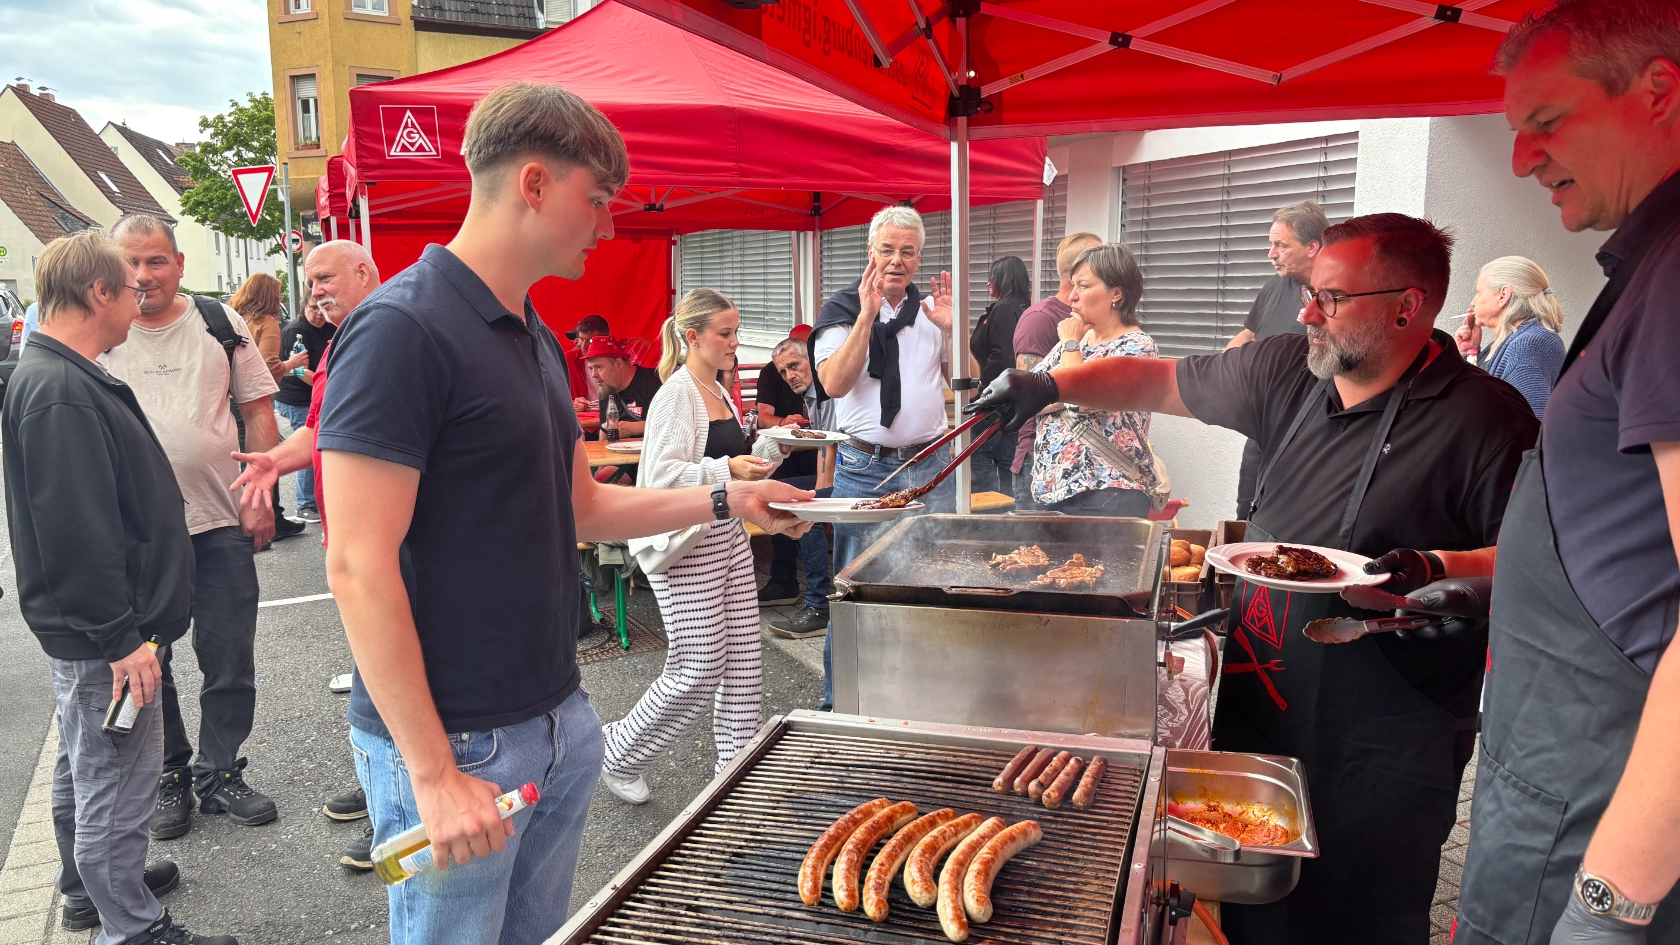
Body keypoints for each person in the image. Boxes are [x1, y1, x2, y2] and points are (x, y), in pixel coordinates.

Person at [315, 82, 810, 945]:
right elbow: (357, 563)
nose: (608, 225)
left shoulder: (536, 335)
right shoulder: (401, 328)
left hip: (557, 716)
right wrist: (432, 773)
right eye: (599, 197)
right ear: (535, 184)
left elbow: (584, 504)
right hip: (458, 742)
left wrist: (730, 497)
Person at [970, 212, 1539, 943]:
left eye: (1330, 299)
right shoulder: (1287, 370)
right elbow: (1157, 382)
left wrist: (1443, 570)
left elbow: (1532, 559)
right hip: (1262, 706)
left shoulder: (1487, 420)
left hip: (1388, 740)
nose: (1306, 313)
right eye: (1308, 293)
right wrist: (1048, 384)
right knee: (1249, 911)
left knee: (1359, 919)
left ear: (1408, 306)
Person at [1378, 4, 1680, 940]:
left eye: (1546, 122)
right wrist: (1479, 585)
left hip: (1592, 810)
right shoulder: (1646, 267)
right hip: (1557, 774)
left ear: (1659, 92)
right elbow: (1628, 544)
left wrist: (1611, 905)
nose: (1519, 160)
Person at [6, 230, 233, 945]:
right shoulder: (60, 389)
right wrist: (120, 638)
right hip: (109, 633)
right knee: (114, 782)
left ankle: (91, 888)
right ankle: (132, 929)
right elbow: (76, 532)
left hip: (98, 629)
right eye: (129, 288)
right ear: (98, 292)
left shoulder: (58, 374)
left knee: (86, 764)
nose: (140, 299)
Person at [102, 214, 281, 842]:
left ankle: (220, 769)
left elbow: (259, 410)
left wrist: (260, 492)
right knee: (153, 660)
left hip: (219, 517)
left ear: (178, 264)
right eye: (129, 262)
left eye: (155, 261)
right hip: (138, 534)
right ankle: (170, 772)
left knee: (229, 656)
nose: (143, 275)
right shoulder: (102, 328)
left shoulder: (218, 322)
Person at [226, 239, 382, 872]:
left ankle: (398, 809)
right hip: (349, 538)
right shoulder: (342, 342)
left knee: (394, 674)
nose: (314, 290)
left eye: (326, 277)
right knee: (373, 672)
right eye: (309, 280)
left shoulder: (390, 338)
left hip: (388, 544)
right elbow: (318, 429)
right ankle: (383, 786)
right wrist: (274, 461)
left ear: (365, 272)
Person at [599, 289, 787, 804]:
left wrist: (774, 446)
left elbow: (736, 462)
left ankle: (736, 772)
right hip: (686, 542)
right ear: (693, 337)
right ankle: (618, 752)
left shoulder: (719, 388)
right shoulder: (677, 393)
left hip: (725, 533)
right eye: (726, 333)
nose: (735, 342)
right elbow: (660, 477)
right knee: (699, 665)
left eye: (736, 331)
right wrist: (726, 468)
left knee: (744, 659)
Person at [809, 205, 956, 709]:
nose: (897, 260)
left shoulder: (932, 311)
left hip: (931, 466)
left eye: (907, 251)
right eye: (887, 249)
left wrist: (951, 332)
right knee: (857, 589)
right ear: (870, 252)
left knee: (932, 581)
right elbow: (833, 383)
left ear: (919, 258)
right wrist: (867, 315)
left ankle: (919, 700)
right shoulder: (841, 309)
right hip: (866, 469)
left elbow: (969, 383)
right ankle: (841, 706)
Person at [1026, 244, 1160, 517]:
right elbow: (1028, 396)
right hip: (1055, 491)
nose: (1072, 297)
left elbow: (1077, 396)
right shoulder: (1079, 341)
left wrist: (1069, 348)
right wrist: (1058, 395)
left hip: (1106, 493)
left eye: (1084, 286)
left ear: (1116, 294)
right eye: (1073, 285)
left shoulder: (1137, 347)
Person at [1226, 201, 1328, 519]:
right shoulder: (1273, 287)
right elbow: (1248, 335)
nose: (1272, 253)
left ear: (1312, 246)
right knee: (1247, 516)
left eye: (1281, 245)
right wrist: (1223, 370)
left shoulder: (1333, 294)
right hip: (1262, 428)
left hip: (1311, 434)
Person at [1011, 232, 1102, 508]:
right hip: (1039, 464)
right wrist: (1094, 392)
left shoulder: (1096, 320)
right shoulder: (1040, 319)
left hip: (1085, 470)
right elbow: (1025, 395)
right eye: (1102, 260)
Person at [763, 336, 838, 640]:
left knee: (804, 506)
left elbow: (833, 446)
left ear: (812, 360)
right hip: (843, 468)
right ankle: (784, 581)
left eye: (794, 366)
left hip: (863, 474)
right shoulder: (811, 393)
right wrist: (819, 490)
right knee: (775, 491)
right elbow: (824, 445)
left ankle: (819, 604)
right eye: (783, 372)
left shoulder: (828, 390)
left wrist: (819, 497)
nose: (789, 376)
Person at [228, 273, 307, 540]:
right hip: (254, 400)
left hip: (230, 399)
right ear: (267, 295)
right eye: (277, 292)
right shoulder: (267, 322)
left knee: (243, 461)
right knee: (264, 460)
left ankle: (247, 518)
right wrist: (293, 363)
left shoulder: (235, 318)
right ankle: (272, 520)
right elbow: (269, 366)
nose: (280, 297)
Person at [1452, 255, 1567, 418]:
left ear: (1503, 295)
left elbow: (1531, 425)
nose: (1473, 301)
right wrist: (1469, 353)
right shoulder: (1507, 344)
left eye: (1479, 292)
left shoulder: (1528, 345)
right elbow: (1471, 399)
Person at [967, 255, 1031, 495]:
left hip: (995, 397)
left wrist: (982, 389)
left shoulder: (1003, 308)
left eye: (991, 277)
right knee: (1006, 457)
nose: (988, 283)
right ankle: (1007, 505)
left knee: (978, 454)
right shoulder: (1024, 308)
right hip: (1015, 397)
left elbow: (1002, 357)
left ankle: (988, 509)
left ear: (1004, 278)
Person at [274, 291, 335, 523]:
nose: (319, 313)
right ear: (303, 306)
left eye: (322, 308)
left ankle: (317, 500)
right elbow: (298, 371)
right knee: (310, 448)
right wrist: (327, 385)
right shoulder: (296, 331)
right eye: (313, 308)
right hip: (296, 397)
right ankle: (305, 505)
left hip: (316, 396)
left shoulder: (330, 327)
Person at [583, 334, 661, 439]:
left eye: (599, 367)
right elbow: (604, 432)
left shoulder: (654, 381)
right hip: (617, 449)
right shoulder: (605, 390)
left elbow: (673, 423)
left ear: (618, 364)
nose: (593, 375)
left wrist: (635, 428)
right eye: (591, 368)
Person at [567, 312, 610, 409]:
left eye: (590, 341)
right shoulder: (568, 359)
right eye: (581, 339)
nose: (583, 346)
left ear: (604, 339)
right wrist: (572, 403)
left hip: (613, 412)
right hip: (583, 415)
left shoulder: (617, 361)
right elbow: (555, 394)